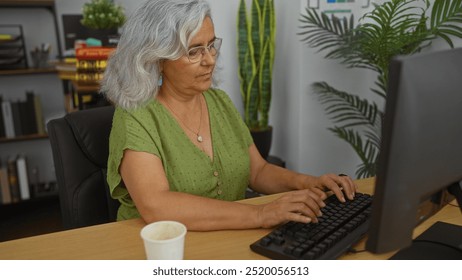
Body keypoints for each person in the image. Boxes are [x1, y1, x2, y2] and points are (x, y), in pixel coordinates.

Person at [102, 0, 357, 231]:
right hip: (158, 249)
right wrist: (260, 214)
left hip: (226, 239)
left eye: (211, 45)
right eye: (194, 51)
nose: (210, 59)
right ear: (157, 59)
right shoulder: (135, 116)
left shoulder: (219, 101)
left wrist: (310, 183)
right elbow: (157, 206)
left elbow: (257, 172)